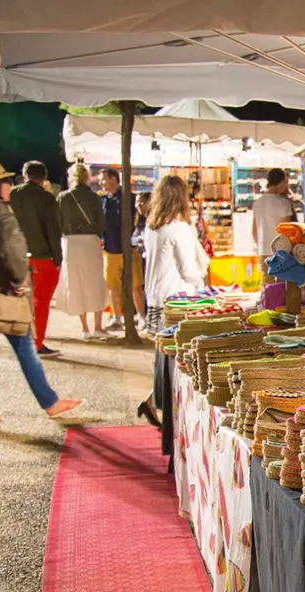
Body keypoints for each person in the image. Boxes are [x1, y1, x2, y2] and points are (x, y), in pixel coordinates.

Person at [0, 157, 82, 427]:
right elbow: (14, 249)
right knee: (25, 347)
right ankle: (51, 403)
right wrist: (20, 279)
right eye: (5, 182)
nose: (9, 186)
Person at [139, 174, 207, 424]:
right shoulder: (179, 228)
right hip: (177, 301)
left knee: (163, 356)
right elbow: (188, 269)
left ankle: (154, 403)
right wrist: (204, 289)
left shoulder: (152, 227)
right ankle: (169, 413)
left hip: (156, 298)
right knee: (177, 361)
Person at [9, 161, 64, 357]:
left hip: (18, 254)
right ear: (44, 177)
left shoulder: (13, 195)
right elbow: (52, 230)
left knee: (21, 299)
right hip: (43, 256)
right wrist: (58, 259)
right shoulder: (46, 199)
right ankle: (37, 342)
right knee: (41, 302)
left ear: (24, 175)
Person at [56, 163, 110, 339]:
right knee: (95, 282)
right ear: (87, 177)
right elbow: (101, 224)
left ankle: (85, 328)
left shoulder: (63, 197)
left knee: (76, 283)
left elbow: (58, 222)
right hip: (89, 242)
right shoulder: (94, 198)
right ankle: (98, 326)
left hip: (70, 243)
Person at [100, 167, 145, 330]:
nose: (101, 182)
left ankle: (141, 317)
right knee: (112, 286)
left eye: (103, 178)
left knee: (135, 285)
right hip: (110, 250)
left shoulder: (129, 199)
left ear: (113, 179)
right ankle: (117, 317)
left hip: (128, 249)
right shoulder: (103, 200)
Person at [251, 168, 295, 263]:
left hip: (263, 252)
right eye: (285, 181)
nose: (286, 185)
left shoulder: (257, 203)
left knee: (266, 277)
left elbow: (254, 231)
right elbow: (286, 230)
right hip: (280, 252)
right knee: (281, 278)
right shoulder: (283, 203)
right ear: (279, 182)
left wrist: (261, 247)